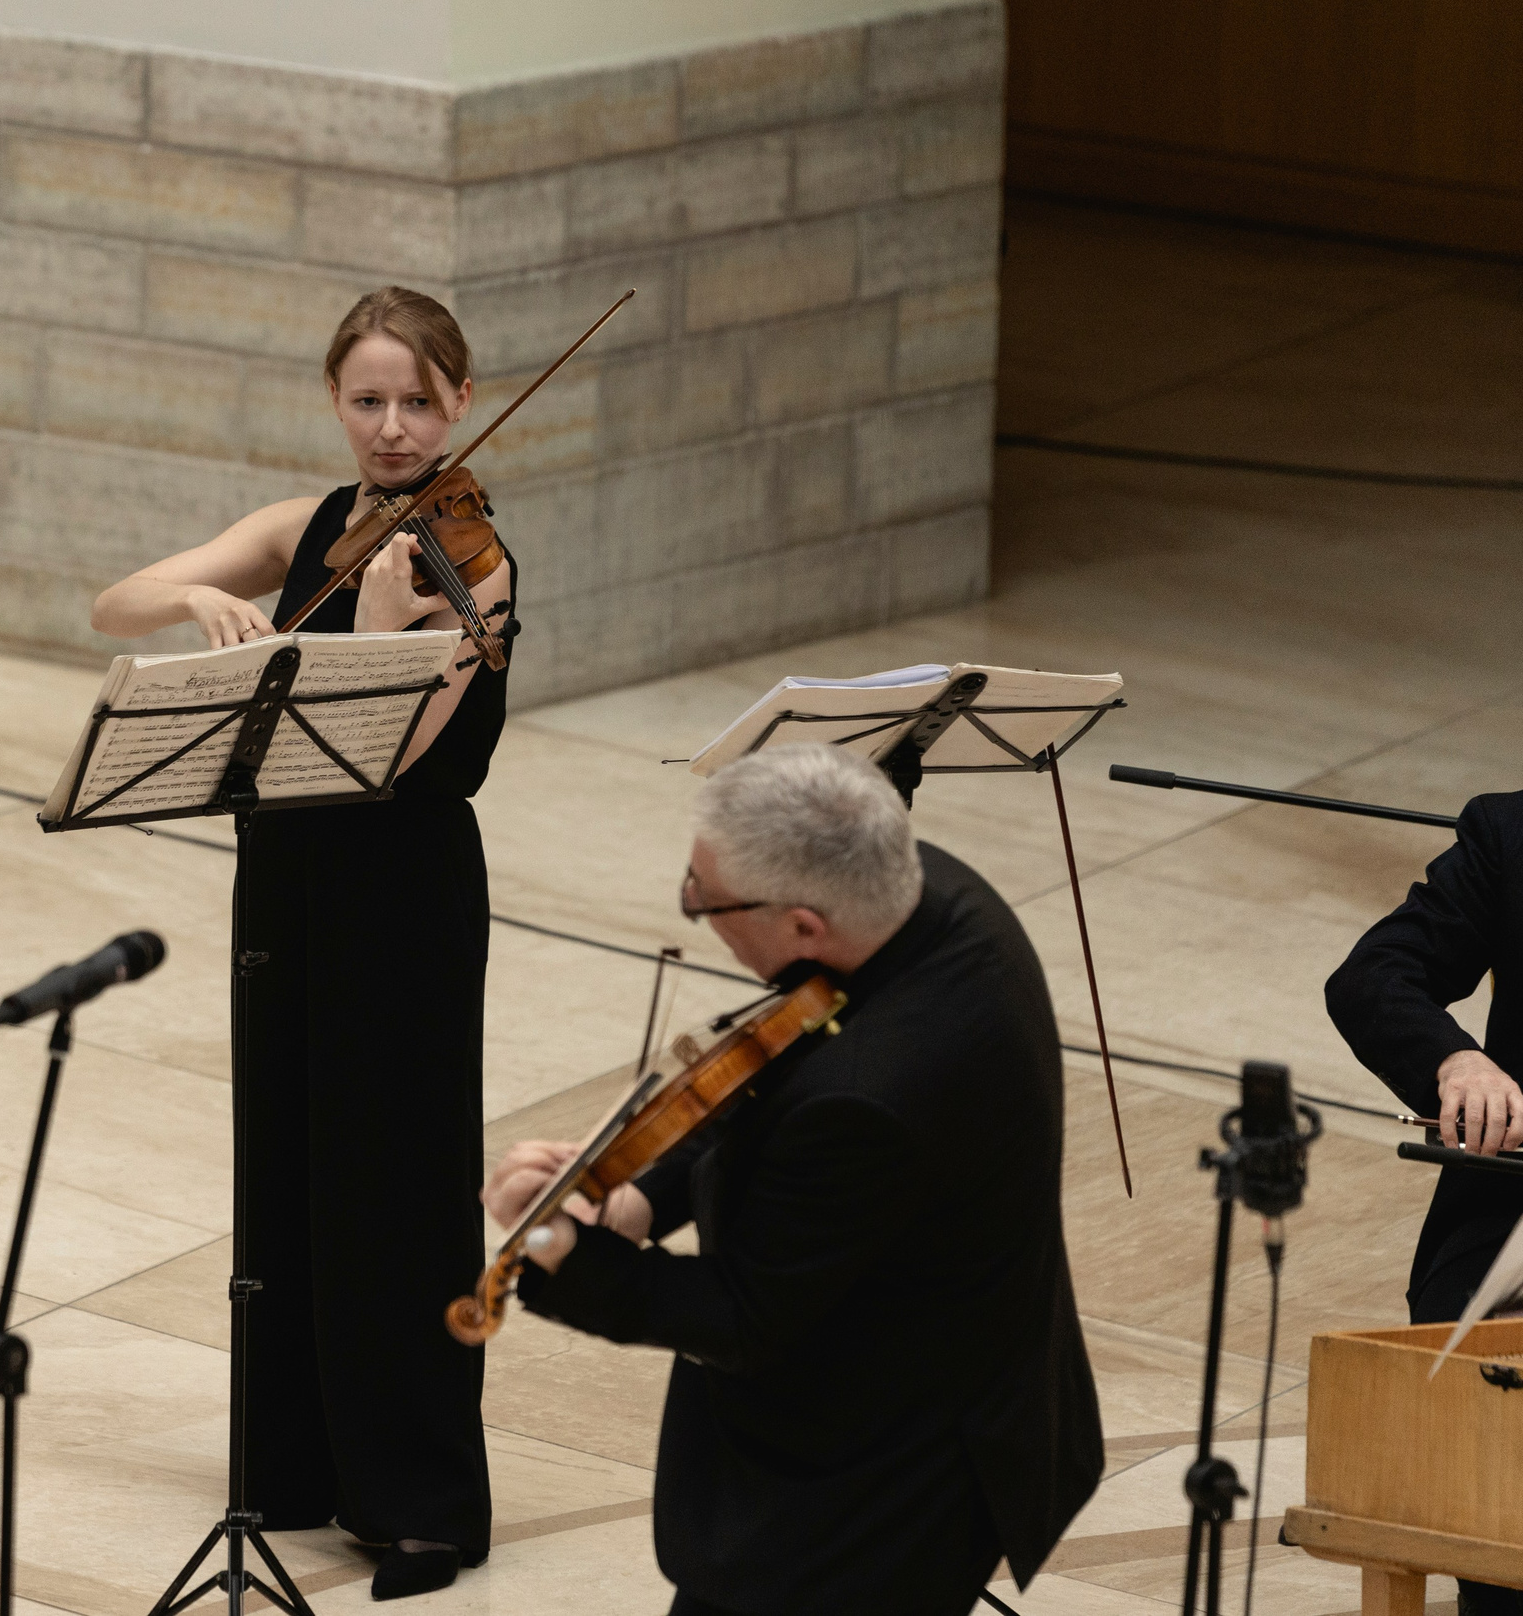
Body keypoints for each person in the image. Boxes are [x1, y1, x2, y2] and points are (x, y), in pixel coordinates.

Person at [90, 286, 513, 1600]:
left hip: (403, 898)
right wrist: (200, 608)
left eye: (419, 401)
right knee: (288, 1164)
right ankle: (298, 1465)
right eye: (368, 399)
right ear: (335, 400)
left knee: (402, 1189)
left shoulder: (473, 561)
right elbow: (115, 602)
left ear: (462, 403)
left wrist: (382, 640)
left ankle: (426, 1499)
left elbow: (396, 761)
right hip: (287, 885)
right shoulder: (312, 523)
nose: (393, 428)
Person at [482, 745, 1102, 1616]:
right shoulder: (926, 894)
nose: (693, 906)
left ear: (807, 926)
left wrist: (550, 1244)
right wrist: (640, 1198)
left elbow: (741, 1316)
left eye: (707, 899)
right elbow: (765, 1067)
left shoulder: (869, 1100)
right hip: (934, 1370)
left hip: (878, 1483)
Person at [1327, 789, 1523, 1616]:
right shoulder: (1512, 833)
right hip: (1512, 1218)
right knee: (1486, 1412)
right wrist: (1456, 1063)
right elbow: (1375, 973)